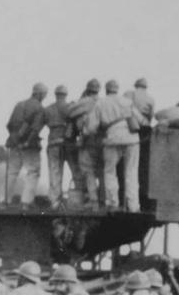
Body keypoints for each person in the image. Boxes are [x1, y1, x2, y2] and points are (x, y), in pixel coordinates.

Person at [94, 80, 141, 212]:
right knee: (131, 172)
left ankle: (113, 203)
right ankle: (133, 206)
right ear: (117, 89)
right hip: (131, 139)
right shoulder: (127, 101)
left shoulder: (100, 102)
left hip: (112, 139)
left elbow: (92, 126)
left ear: (106, 89)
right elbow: (140, 120)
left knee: (110, 171)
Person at [4, 84, 49, 205]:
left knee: (12, 171)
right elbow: (35, 129)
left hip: (14, 143)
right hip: (29, 146)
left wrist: (15, 138)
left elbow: (9, 125)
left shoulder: (19, 105)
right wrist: (27, 142)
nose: (45, 97)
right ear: (40, 94)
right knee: (33, 172)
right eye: (44, 94)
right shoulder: (40, 108)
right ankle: (26, 201)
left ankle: (4, 199)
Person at [67, 79, 103, 208]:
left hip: (88, 140)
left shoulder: (85, 102)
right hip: (103, 142)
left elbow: (69, 112)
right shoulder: (102, 102)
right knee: (103, 171)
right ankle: (103, 199)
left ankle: (93, 200)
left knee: (88, 170)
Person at [42, 85, 74, 206]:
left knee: (54, 171)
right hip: (68, 143)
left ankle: (54, 201)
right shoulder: (70, 107)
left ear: (56, 95)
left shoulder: (48, 109)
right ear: (65, 95)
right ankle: (77, 199)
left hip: (53, 143)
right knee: (75, 171)